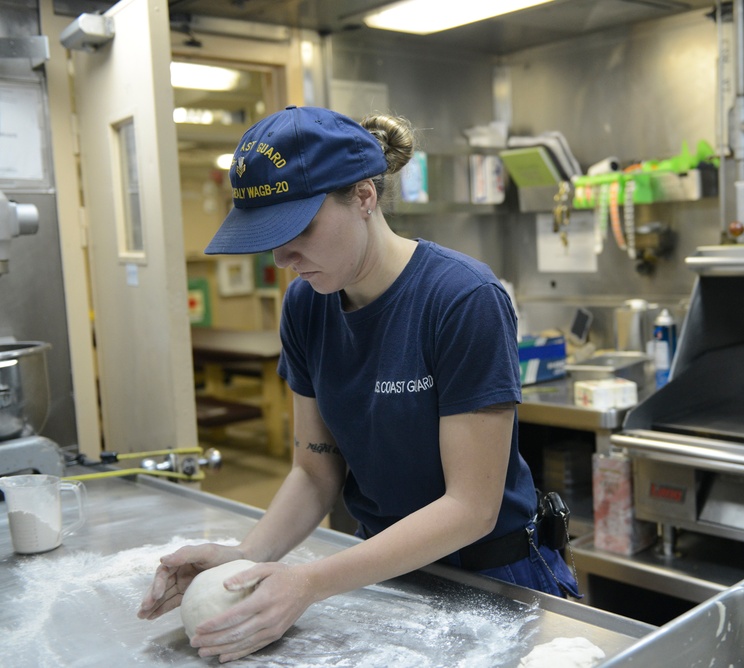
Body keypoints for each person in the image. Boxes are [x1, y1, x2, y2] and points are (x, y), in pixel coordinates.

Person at [137, 105, 579, 663]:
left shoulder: (461, 299)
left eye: (297, 230)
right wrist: (242, 561)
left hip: (496, 578)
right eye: (267, 238)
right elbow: (314, 469)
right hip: (383, 572)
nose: (282, 258)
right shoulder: (306, 305)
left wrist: (309, 582)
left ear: (364, 197)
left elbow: (472, 507)